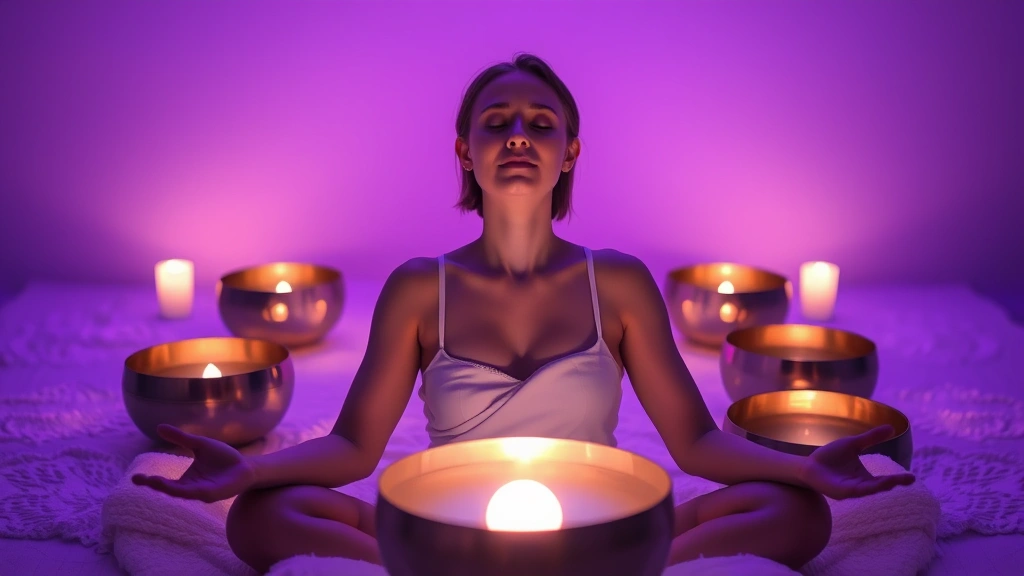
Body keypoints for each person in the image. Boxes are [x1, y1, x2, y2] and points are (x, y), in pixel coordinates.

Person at [133, 54, 915, 573]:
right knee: (261, 517)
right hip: (449, 525)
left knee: (794, 512)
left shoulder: (616, 282)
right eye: (497, 121)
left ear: (569, 151)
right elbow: (351, 448)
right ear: (464, 150)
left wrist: (806, 469)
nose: (517, 136)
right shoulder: (419, 288)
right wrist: (251, 470)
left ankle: (578, 560)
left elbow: (697, 443)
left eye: (541, 123)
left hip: (601, 520)